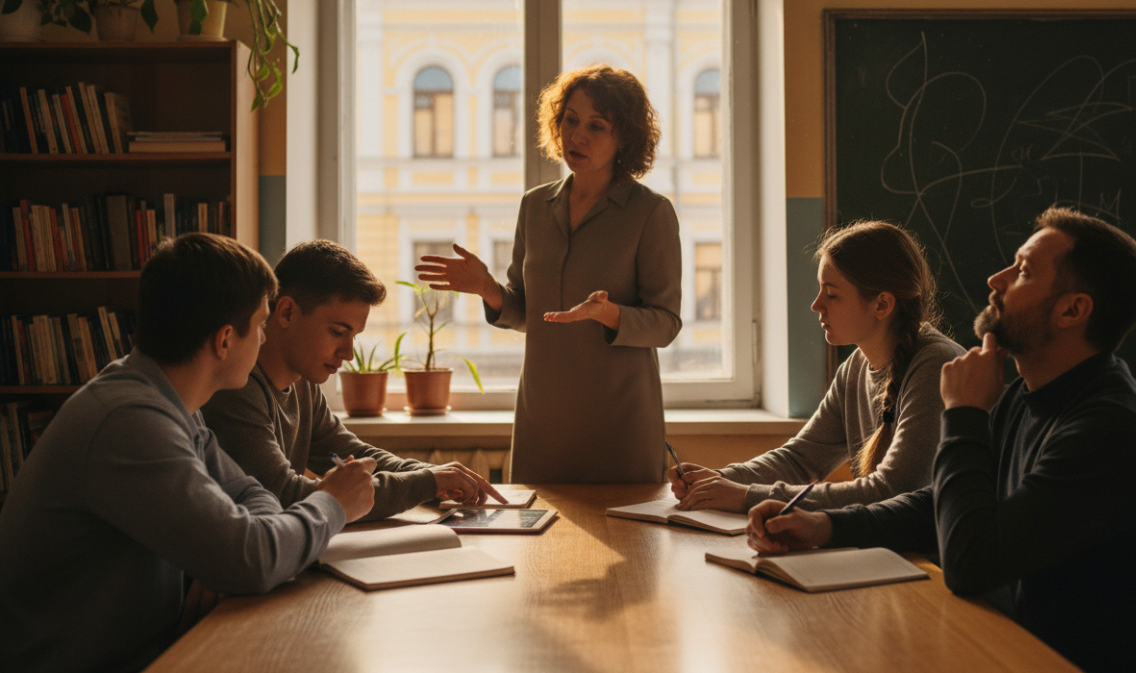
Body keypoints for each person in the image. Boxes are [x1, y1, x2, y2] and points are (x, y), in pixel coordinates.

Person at [746, 207, 1136, 673]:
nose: (995, 280)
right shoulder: (1030, 394)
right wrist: (824, 525)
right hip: (1028, 647)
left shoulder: (1110, 427)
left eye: (1022, 271)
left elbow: (970, 564)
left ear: (1072, 310)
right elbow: (936, 503)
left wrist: (965, 413)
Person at [0, 234, 377, 673]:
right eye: (259, 326)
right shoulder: (130, 422)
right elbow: (250, 558)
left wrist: (225, 555)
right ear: (223, 341)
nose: (263, 339)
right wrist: (332, 504)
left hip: (151, 647)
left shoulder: (171, 402)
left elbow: (252, 496)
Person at [415, 64, 682, 483]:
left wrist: (609, 314)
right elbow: (528, 312)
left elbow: (666, 324)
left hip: (620, 422)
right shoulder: (534, 206)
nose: (577, 136)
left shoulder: (651, 213)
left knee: (628, 545)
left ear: (624, 138)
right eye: (570, 120)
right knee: (536, 543)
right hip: (543, 419)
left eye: (596, 126)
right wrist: (488, 289)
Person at [669, 220, 964, 513]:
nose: (816, 304)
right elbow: (799, 459)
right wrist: (719, 480)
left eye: (832, 294)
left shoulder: (937, 367)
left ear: (882, 305)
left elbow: (891, 491)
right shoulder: (855, 368)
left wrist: (746, 496)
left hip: (930, 558)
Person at [203, 239, 503, 519]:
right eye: (337, 332)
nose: (348, 353)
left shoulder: (302, 380)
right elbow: (285, 495)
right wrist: (426, 482)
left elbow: (353, 456)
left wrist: (434, 475)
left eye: (354, 336)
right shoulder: (235, 387)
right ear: (286, 312)